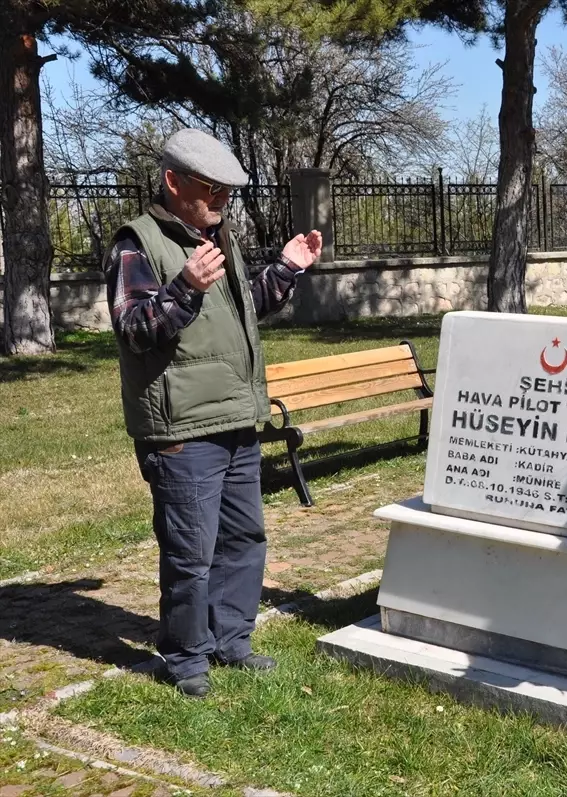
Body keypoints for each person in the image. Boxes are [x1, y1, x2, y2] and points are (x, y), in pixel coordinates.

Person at [104, 128, 323, 699]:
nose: (222, 201)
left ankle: (233, 642)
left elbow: (240, 310)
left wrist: (287, 268)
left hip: (234, 418)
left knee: (243, 540)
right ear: (174, 182)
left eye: (227, 191)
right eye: (212, 189)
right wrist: (183, 288)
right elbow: (134, 330)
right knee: (190, 552)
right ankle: (186, 659)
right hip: (181, 430)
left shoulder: (217, 238)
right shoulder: (138, 243)